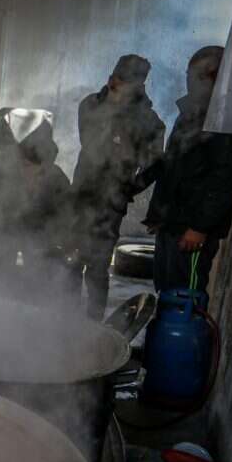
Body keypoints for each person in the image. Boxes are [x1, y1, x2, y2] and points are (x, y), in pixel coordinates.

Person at [143, 46, 232, 293]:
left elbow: (227, 177)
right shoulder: (191, 113)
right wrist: (158, 214)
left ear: (216, 77)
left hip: (192, 228)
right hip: (172, 222)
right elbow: (172, 163)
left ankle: (184, 333)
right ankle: (165, 332)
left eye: (197, 76)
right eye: (190, 75)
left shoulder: (227, 120)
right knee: (165, 288)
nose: (190, 82)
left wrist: (200, 226)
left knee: (185, 296)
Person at [72, 54, 165, 319]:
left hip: (111, 202)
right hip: (80, 195)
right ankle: (63, 319)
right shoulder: (90, 104)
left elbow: (157, 164)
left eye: (123, 80)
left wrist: (129, 187)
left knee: (98, 267)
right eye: (114, 76)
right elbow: (90, 143)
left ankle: (92, 326)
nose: (114, 82)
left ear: (139, 85)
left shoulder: (149, 122)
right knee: (70, 259)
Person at [15, 122, 80, 303]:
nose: (21, 169)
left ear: (43, 167)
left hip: (56, 257)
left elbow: (69, 231)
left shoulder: (58, 186)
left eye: (26, 165)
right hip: (35, 250)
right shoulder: (22, 181)